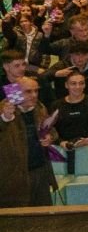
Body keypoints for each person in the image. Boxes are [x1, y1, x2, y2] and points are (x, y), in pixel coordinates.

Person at [0, 77, 57, 207]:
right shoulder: (5, 108)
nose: (34, 95)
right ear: (17, 92)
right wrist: (4, 118)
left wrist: (49, 137)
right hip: (14, 175)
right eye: (28, 92)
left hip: (40, 170)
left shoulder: (40, 108)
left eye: (36, 91)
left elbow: (51, 130)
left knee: (44, 217)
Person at [50, 71, 88, 174]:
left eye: (81, 83)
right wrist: (61, 142)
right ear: (66, 85)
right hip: (66, 151)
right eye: (73, 83)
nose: (78, 87)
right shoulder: (56, 106)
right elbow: (51, 130)